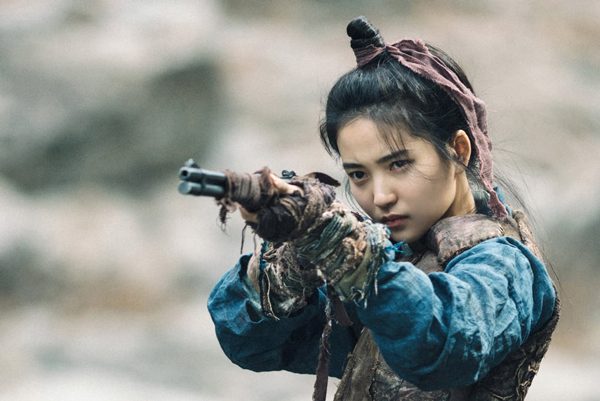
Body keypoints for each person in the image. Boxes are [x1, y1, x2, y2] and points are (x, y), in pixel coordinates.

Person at [207, 16, 559, 401]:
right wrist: (292, 261)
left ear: (458, 150)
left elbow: (443, 342)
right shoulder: (396, 257)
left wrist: (342, 249)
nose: (379, 196)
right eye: (358, 174)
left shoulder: (507, 266)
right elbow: (251, 344)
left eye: (399, 164)